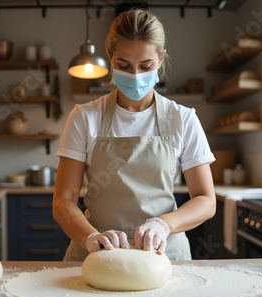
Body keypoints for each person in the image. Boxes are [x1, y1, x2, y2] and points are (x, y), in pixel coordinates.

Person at [53, 8, 216, 261]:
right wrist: (90, 237)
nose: (136, 75)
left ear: (161, 59)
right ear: (110, 57)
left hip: (164, 253)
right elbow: (63, 201)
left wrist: (164, 224)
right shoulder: (85, 117)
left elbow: (206, 200)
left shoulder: (182, 118)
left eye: (146, 65)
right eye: (124, 65)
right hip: (98, 253)